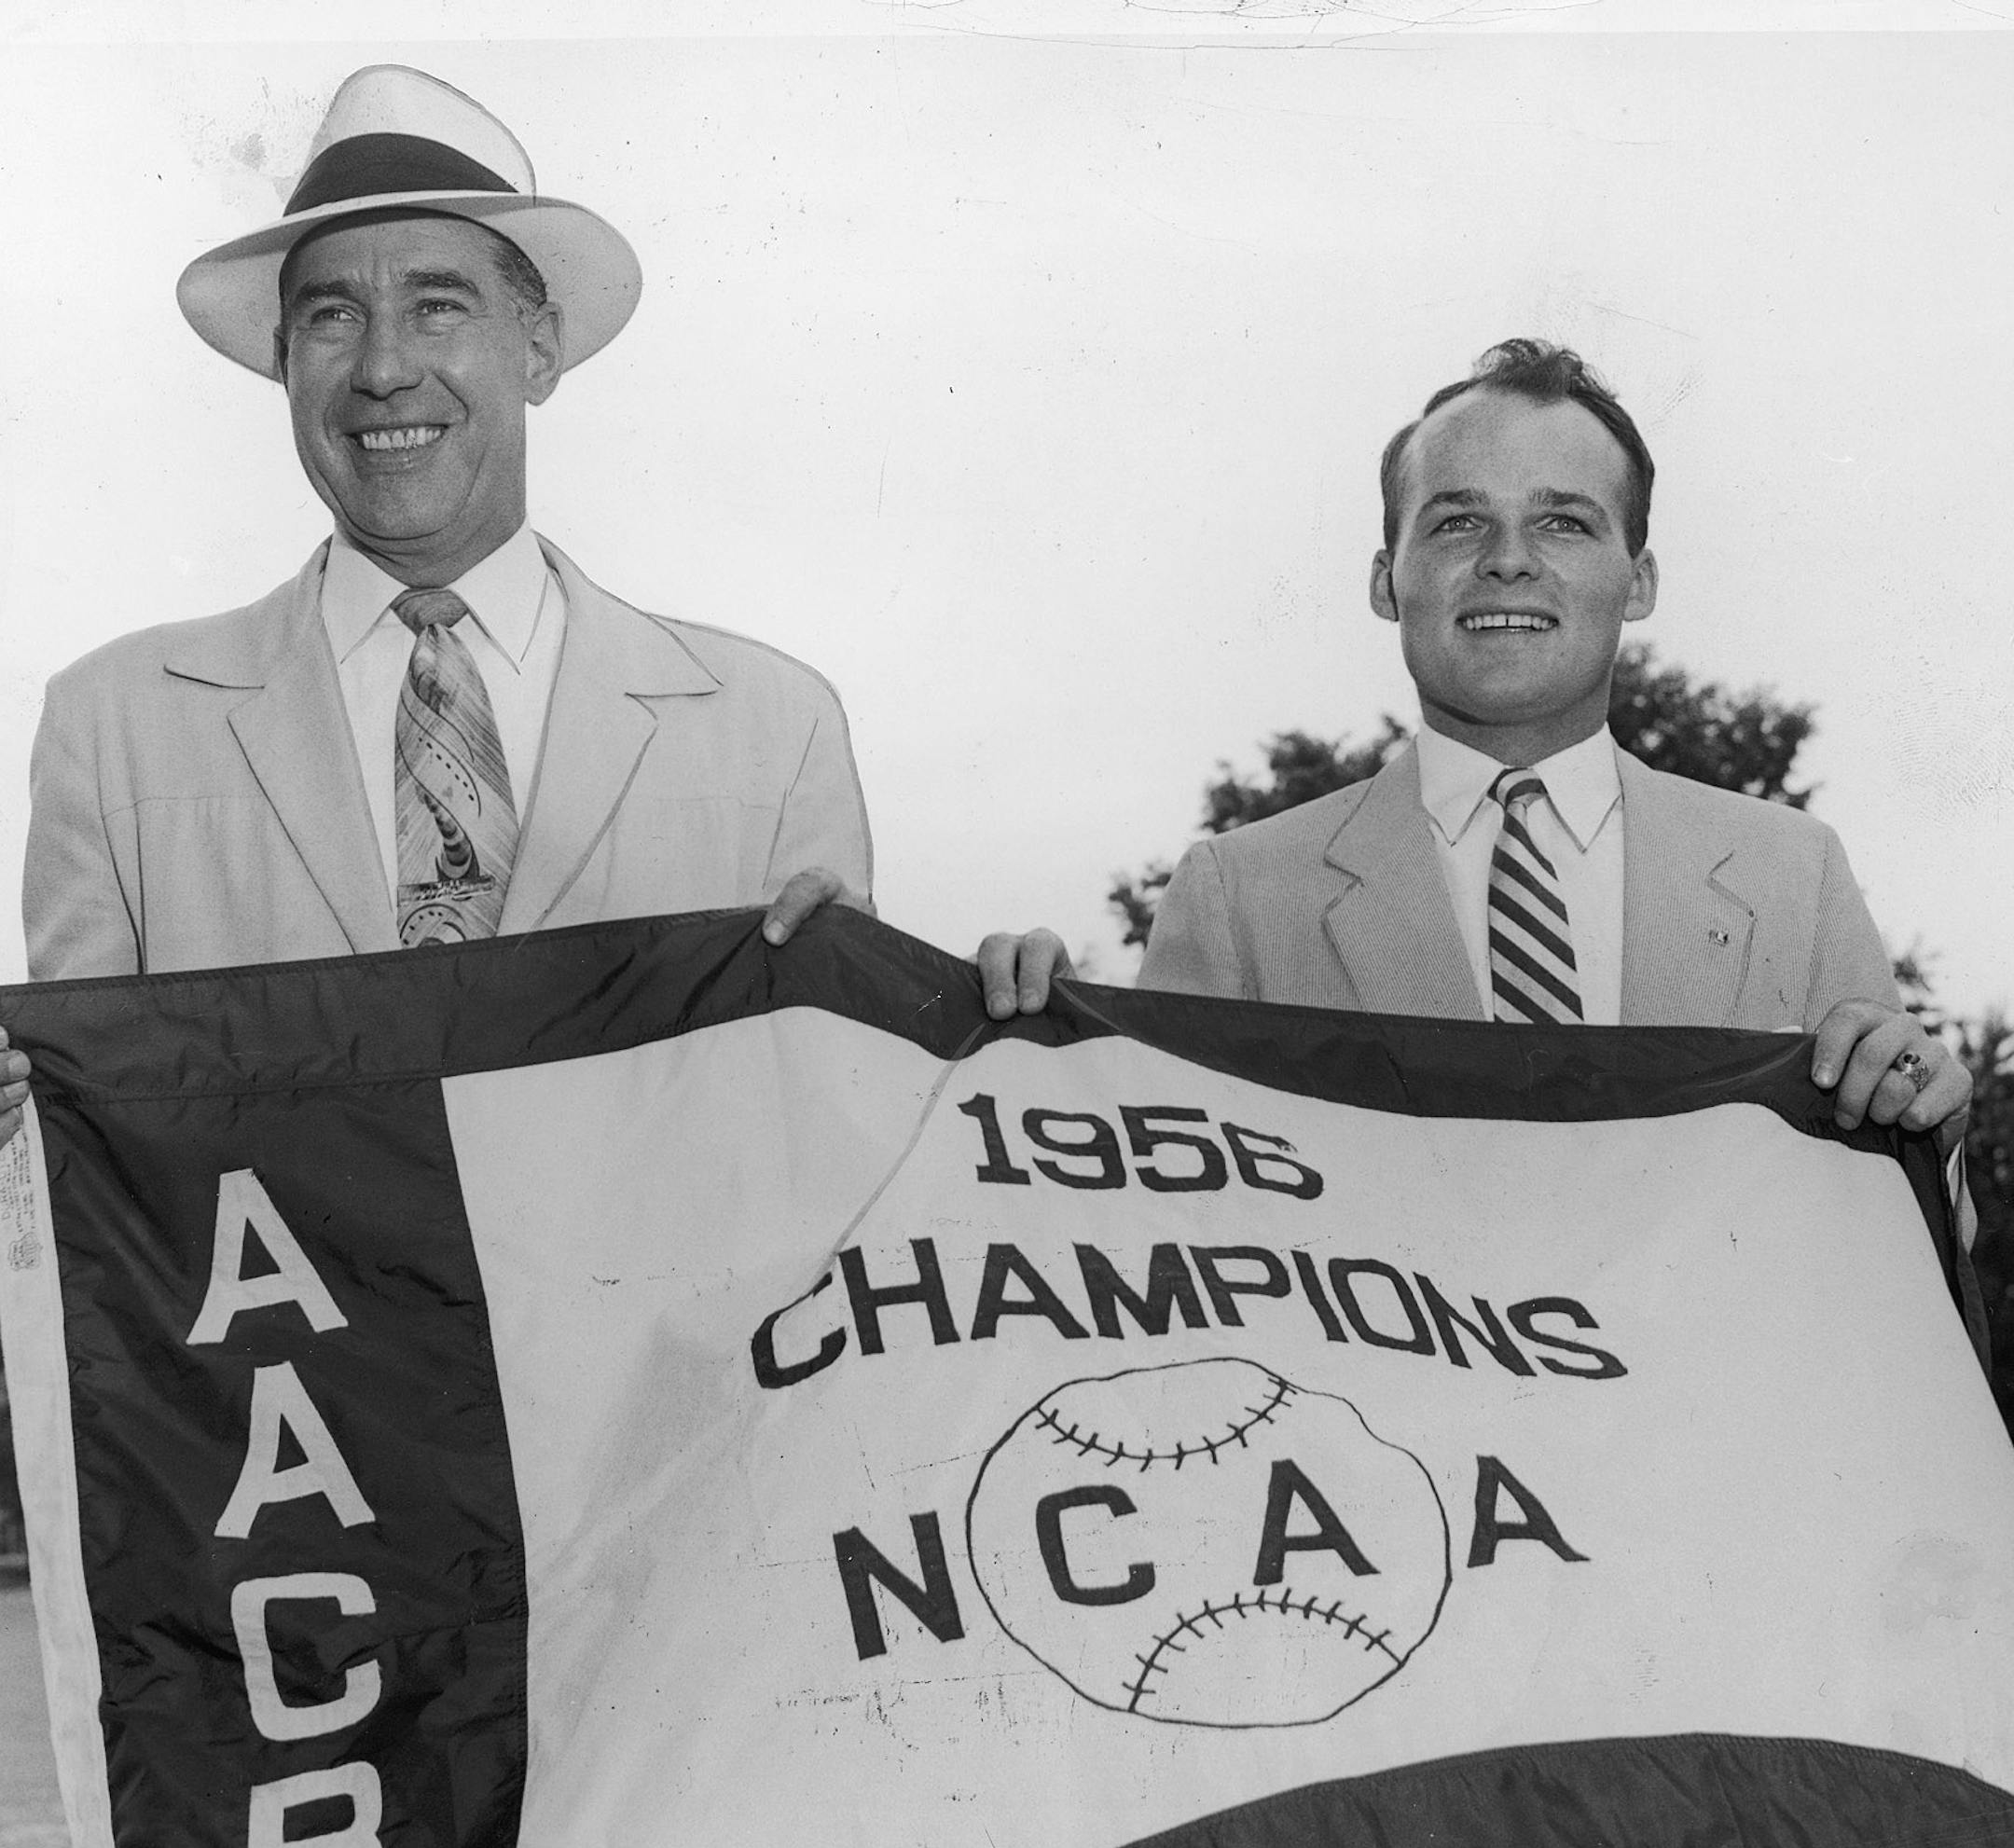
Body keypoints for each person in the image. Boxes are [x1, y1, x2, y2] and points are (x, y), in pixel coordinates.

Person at [983, 339, 1971, 1166]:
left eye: (1564, 521)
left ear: (1639, 579)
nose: (1509, 557)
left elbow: (1898, 1250)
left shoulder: (1792, 877)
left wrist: (1931, 1118)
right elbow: (1166, 1217)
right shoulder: (1237, 897)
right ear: (1386, 579)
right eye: (1458, 520)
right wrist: (1040, 1064)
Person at [21, 63, 868, 989]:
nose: (383, 367)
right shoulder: (112, 730)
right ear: (284, 363)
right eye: (333, 314)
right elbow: (75, 1115)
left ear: (538, 350)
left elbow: (846, 1107)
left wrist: (1026, 1021)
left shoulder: (778, 735)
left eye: (436, 306)